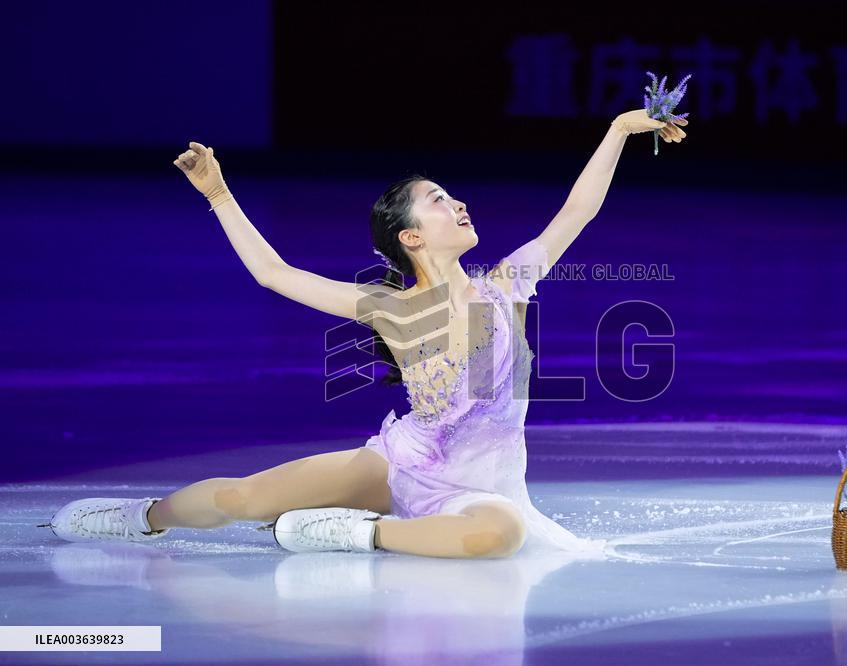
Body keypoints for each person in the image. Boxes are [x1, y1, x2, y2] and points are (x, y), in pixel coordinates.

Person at [39, 110, 687, 558]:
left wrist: (619, 130)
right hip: (402, 464)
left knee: (497, 538)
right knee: (245, 497)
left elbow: (580, 207)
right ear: (410, 237)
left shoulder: (508, 284)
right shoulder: (389, 308)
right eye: (438, 200)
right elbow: (272, 273)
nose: (458, 204)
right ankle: (142, 518)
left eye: (452, 196)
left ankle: (349, 534)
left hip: (485, 489)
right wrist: (218, 194)